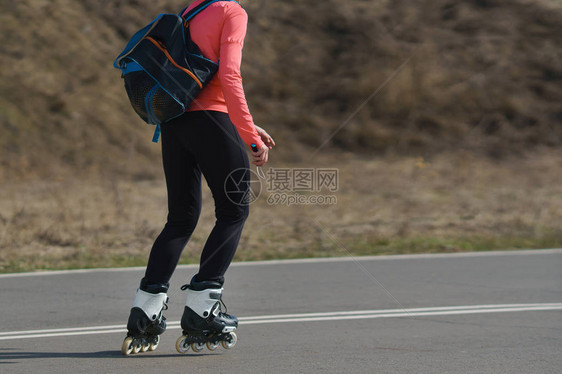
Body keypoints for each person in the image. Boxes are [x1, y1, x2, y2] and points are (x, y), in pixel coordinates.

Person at [122, 0, 275, 355]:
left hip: (174, 121)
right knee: (235, 210)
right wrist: (250, 139)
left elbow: (198, 80)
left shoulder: (192, 11)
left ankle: (144, 313)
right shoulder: (231, 12)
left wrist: (249, 125)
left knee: (180, 219)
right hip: (210, 122)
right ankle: (202, 309)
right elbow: (229, 76)